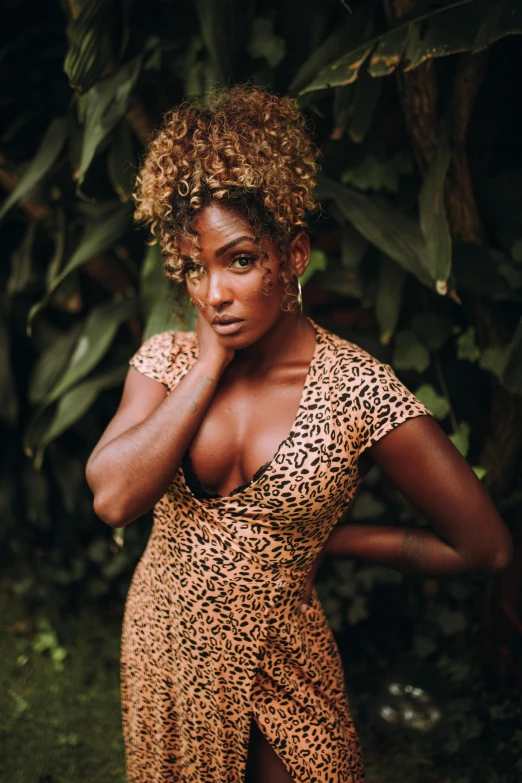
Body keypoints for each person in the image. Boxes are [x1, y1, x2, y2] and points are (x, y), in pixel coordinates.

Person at [86, 86, 513, 783]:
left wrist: (336, 541)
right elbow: (112, 497)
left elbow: (486, 546)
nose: (214, 291)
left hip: (282, 660)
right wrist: (211, 363)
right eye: (196, 266)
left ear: (294, 256)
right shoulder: (167, 364)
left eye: (240, 259)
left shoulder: (358, 390)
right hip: (168, 642)